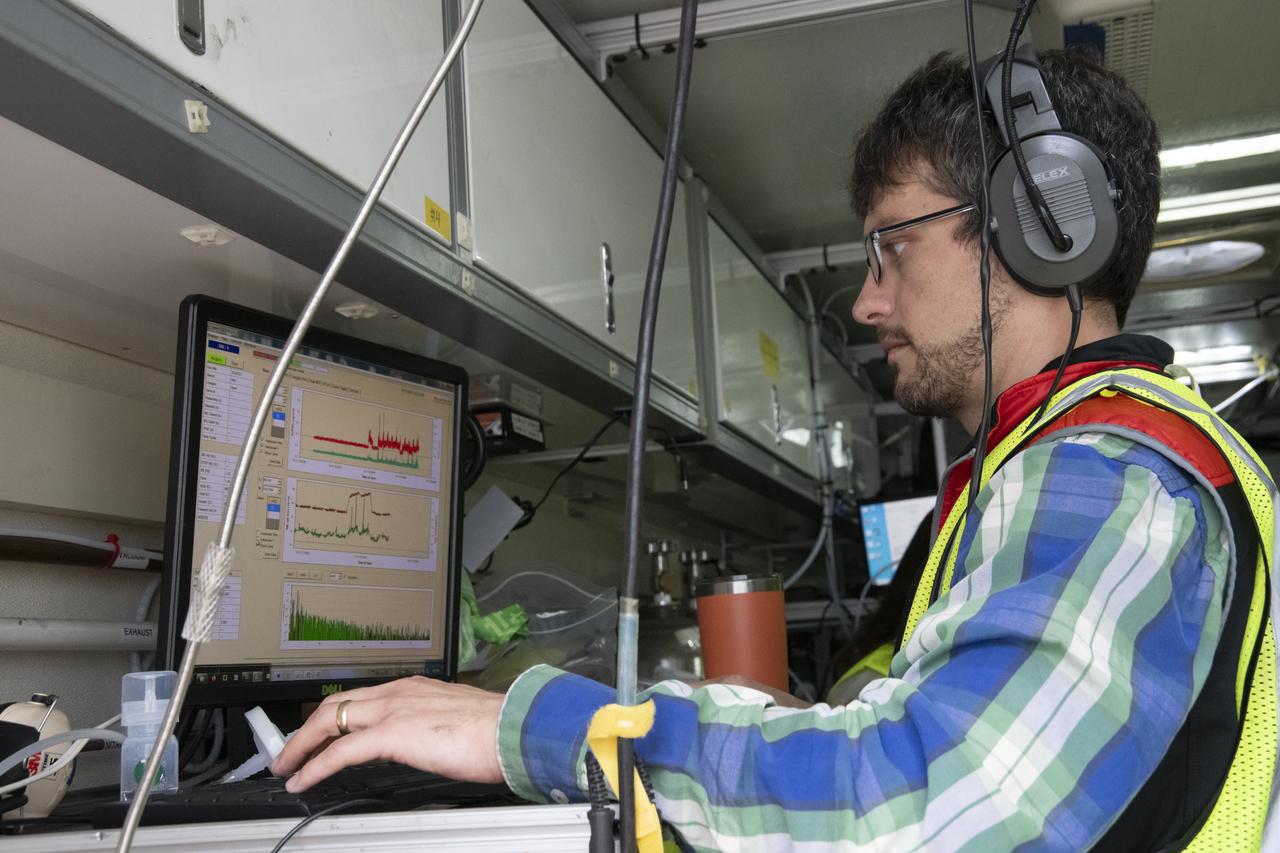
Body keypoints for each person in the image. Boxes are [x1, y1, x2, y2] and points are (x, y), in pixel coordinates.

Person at [273, 49, 1278, 851]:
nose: (870, 301)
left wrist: (527, 726)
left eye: (892, 246)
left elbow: (933, 809)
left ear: (1036, 228)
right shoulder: (1055, 466)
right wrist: (789, 719)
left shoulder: (1107, 472)